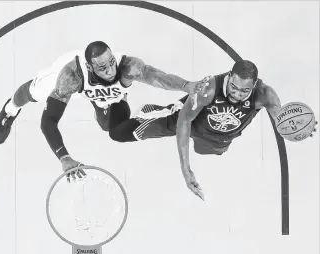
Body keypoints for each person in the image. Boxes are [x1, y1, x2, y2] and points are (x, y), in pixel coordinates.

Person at [0, 41, 202, 181]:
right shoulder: (70, 76)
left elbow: (159, 77)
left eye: (111, 63)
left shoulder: (128, 67)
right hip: (71, 79)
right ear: (91, 67)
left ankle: (101, 103)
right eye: (102, 67)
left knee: (111, 128)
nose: (110, 70)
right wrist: (64, 157)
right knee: (34, 92)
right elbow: (48, 122)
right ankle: (10, 109)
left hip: (104, 94)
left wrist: (186, 85)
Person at [108, 60, 317, 199]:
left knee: (208, 153)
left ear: (254, 86)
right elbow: (184, 123)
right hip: (187, 121)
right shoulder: (208, 88)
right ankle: (144, 106)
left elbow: (282, 123)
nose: (237, 94)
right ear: (229, 77)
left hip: (219, 140)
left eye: (244, 90)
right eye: (233, 87)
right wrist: (186, 169)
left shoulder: (265, 95)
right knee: (119, 134)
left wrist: (299, 129)